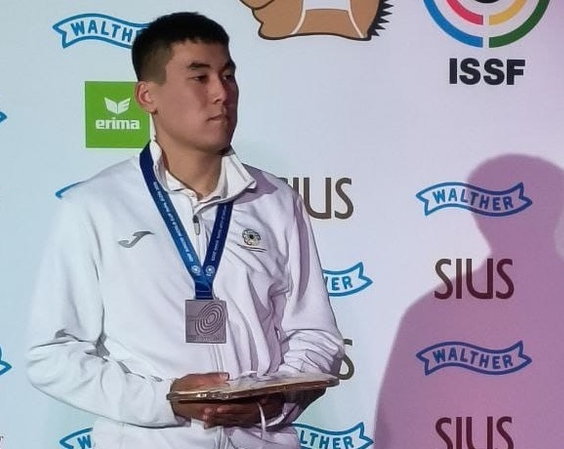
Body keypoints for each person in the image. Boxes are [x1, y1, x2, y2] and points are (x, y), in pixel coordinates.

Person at [26, 11, 344, 449]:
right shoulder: (95, 206)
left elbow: (316, 334)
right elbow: (52, 355)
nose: (221, 93)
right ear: (147, 96)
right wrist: (166, 399)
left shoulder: (275, 201)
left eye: (228, 75)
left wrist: (275, 401)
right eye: (199, 77)